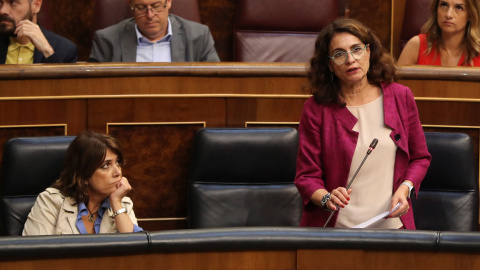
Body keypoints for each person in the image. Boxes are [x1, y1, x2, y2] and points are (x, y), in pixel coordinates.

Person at [294, 18, 431, 230]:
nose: (350, 59)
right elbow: (306, 177)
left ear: (369, 52)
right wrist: (326, 197)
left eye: (357, 49)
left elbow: (420, 157)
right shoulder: (316, 109)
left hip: (392, 227)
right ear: (330, 65)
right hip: (336, 231)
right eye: (339, 54)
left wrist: (405, 188)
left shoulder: (400, 97)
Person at [23, 130, 142, 235]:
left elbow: (135, 252)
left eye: (118, 163)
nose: (118, 172)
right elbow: (33, 255)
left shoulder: (123, 204)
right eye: (106, 165)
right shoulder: (51, 202)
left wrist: (116, 203)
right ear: (83, 174)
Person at [89, 0, 220, 62]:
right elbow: (95, 91)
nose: (150, 15)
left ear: (168, 2)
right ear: (131, 6)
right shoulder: (107, 40)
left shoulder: (199, 36)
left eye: (156, 6)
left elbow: (214, 85)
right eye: (141, 8)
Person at [397, 0, 480, 66]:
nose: (448, 14)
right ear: (436, 9)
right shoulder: (416, 45)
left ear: (470, 15)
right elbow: (395, 86)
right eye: (444, 5)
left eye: (459, 7)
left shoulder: (478, 50)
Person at [0, 0, 77, 64]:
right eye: (0, 3)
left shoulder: (65, 49)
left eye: (13, 3)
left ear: (36, 5)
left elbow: (62, 82)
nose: (2, 11)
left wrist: (47, 51)